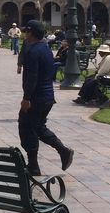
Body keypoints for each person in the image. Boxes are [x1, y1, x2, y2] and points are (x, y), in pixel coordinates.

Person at [19, 21, 73, 176]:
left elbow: (32, 77)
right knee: (37, 127)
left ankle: (40, 163)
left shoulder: (33, 51)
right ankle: (41, 162)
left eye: (26, 32)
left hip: (36, 97)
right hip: (47, 97)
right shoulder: (46, 49)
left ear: (30, 33)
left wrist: (26, 98)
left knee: (26, 128)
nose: (25, 34)